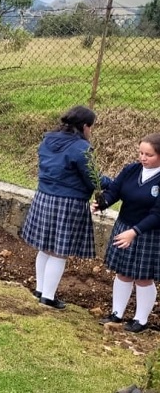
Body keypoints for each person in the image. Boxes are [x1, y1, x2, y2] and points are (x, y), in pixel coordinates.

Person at [21, 106, 108, 310]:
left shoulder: (48, 140)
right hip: (68, 202)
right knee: (59, 252)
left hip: (44, 197)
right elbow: (92, 178)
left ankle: (41, 290)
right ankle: (48, 298)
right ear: (85, 126)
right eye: (91, 127)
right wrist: (114, 184)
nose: (91, 131)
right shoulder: (80, 147)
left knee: (45, 248)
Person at [94, 133, 160, 333]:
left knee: (143, 277)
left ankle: (141, 320)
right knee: (122, 273)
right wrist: (102, 203)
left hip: (148, 233)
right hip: (124, 227)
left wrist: (135, 232)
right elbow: (115, 191)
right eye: (141, 152)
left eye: (148, 154)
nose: (143, 158)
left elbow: (158, 214)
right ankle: (117, 314)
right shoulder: (131, 170)